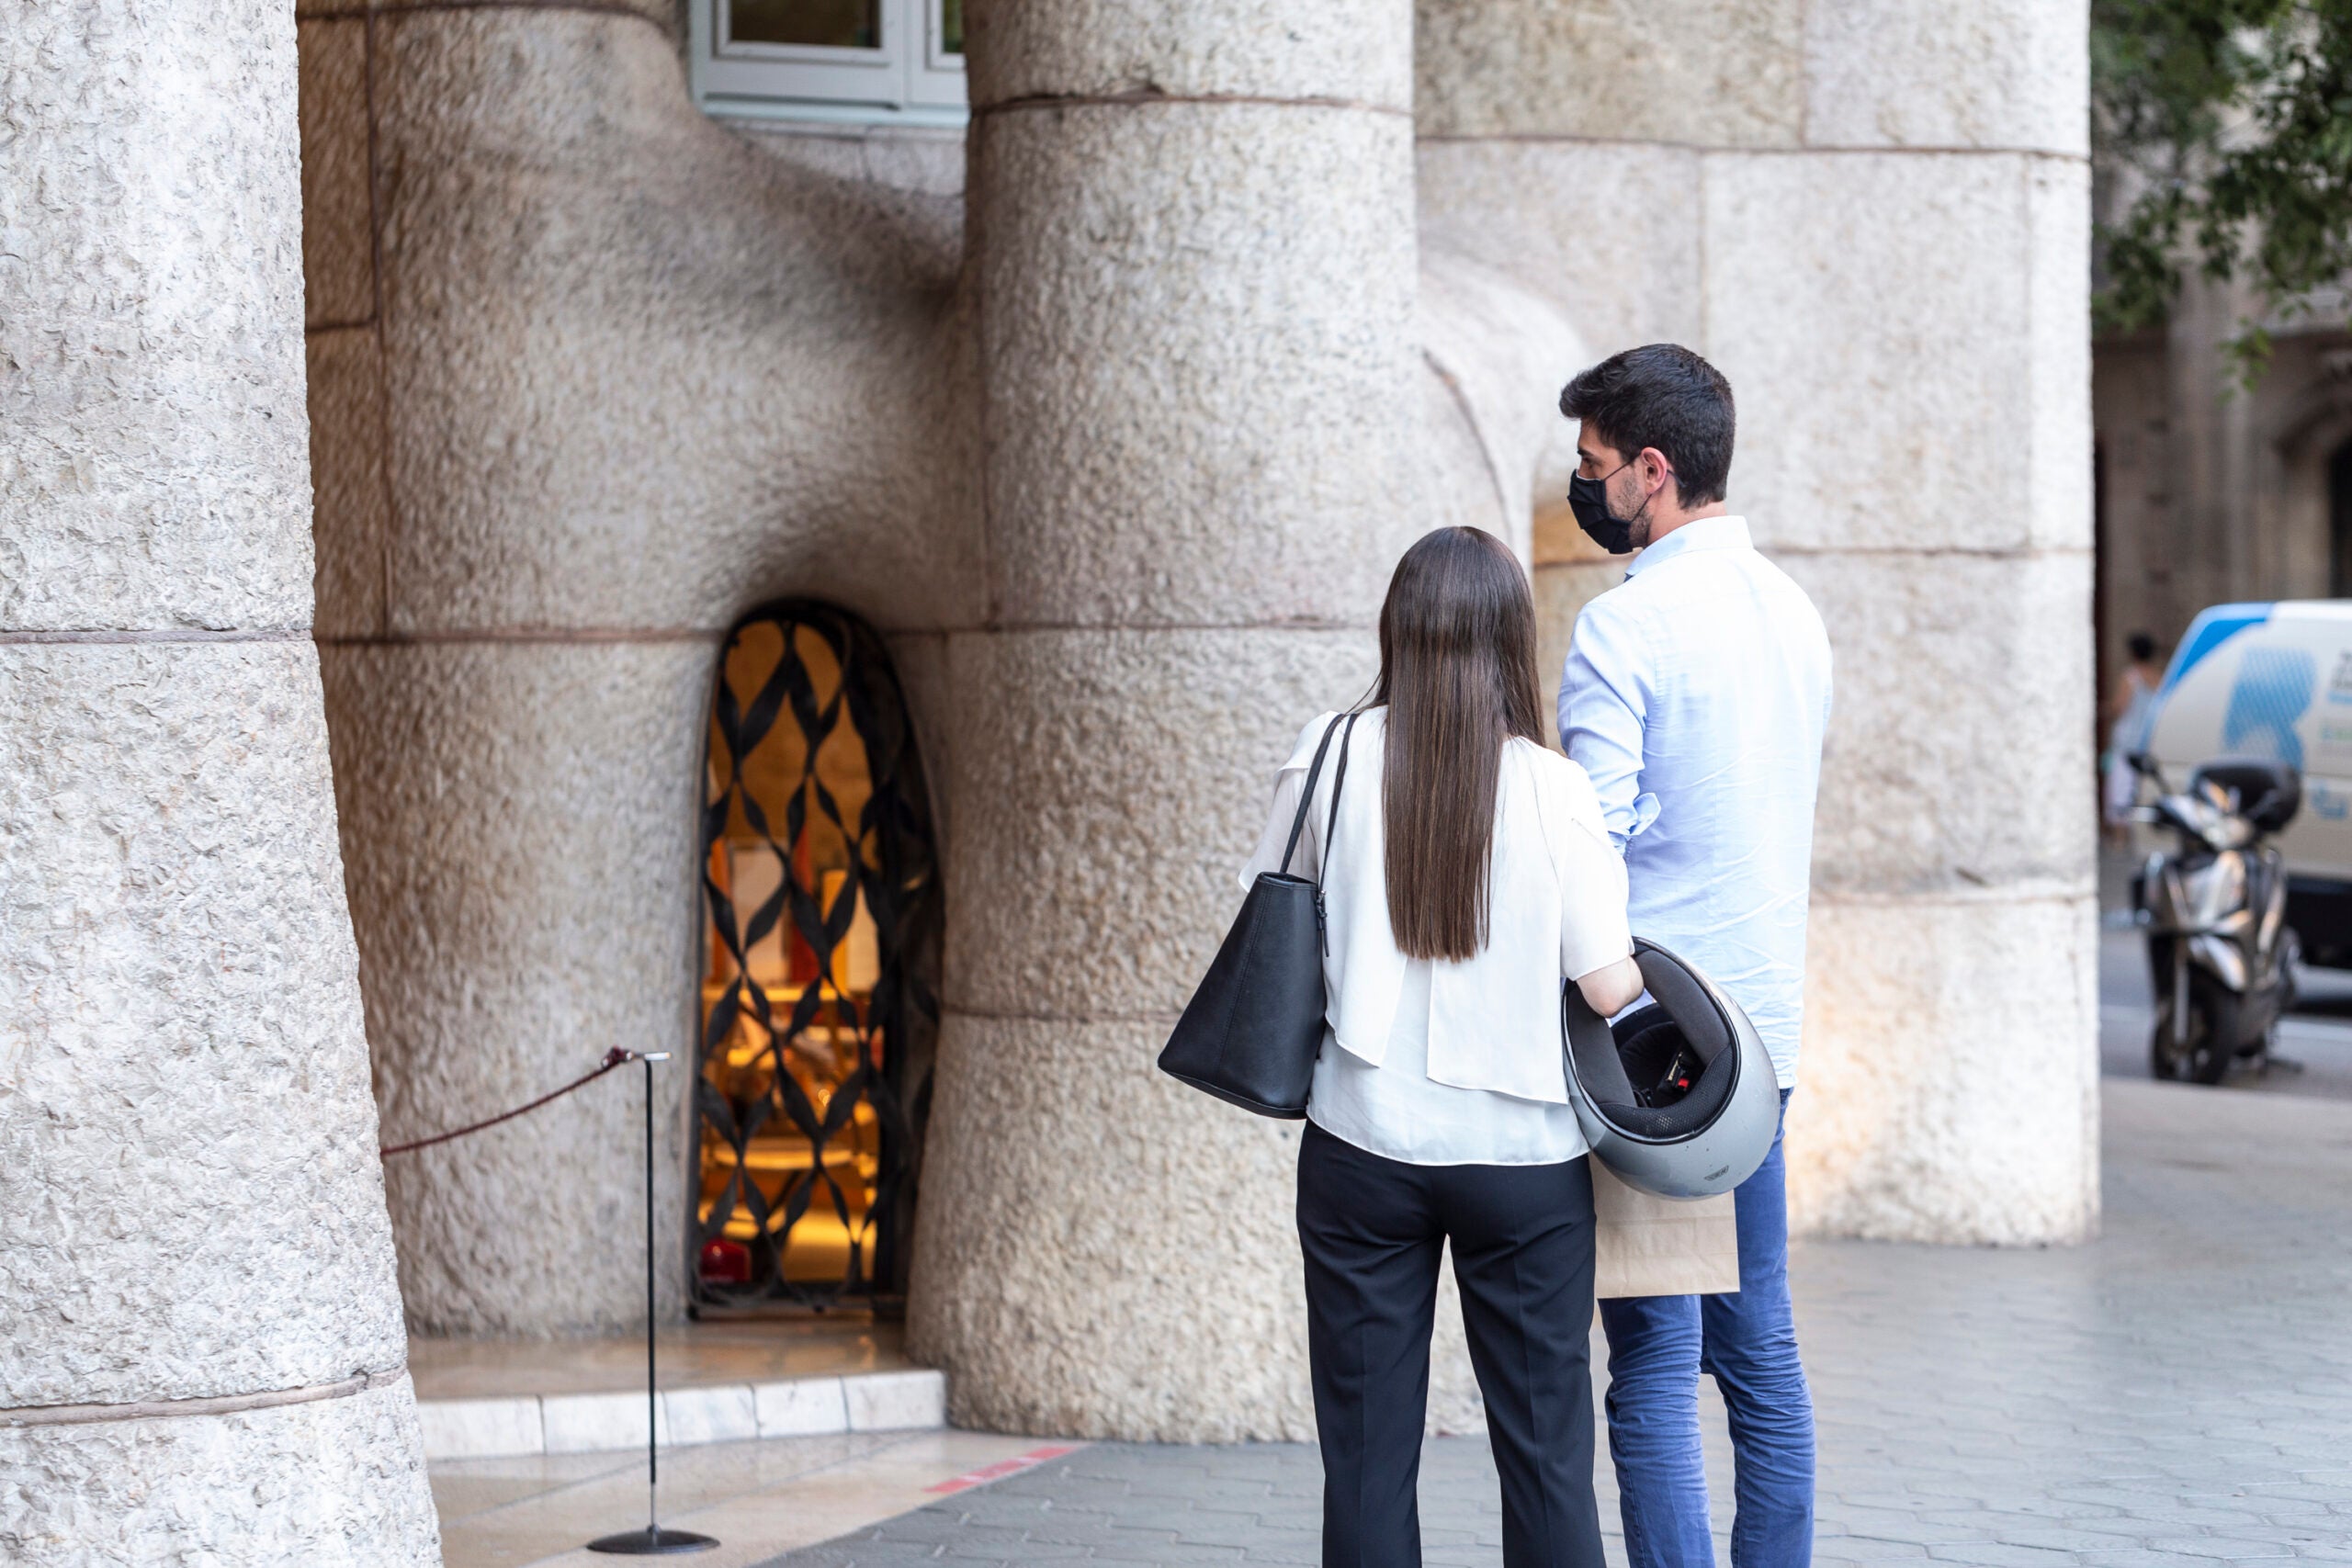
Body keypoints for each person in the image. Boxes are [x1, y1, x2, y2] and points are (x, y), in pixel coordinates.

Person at [1242, 526, 1645, 1568]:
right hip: (1522, 1167)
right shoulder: (1555, 789)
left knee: (1368, 1461)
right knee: (1548, 1459)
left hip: (1361, 1146)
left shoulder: (1326, 754)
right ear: (1512, 638)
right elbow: (1606, 982)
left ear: (1399, 630)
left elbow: (1278, 918)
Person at [1554, 344, 1833, 1568]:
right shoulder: (1794, 610)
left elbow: (1588, 848)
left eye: (1594, 464)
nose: (1588, 484)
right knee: (1758, 1340)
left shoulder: (1624, 624)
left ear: (1652, 471)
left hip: (1655, 1046)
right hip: (1762, 1038)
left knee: (1655, 1363)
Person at [2103, 632, 2165, 842]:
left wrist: (2105, 710)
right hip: (2149, 739)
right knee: (2143, 787)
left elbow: (2120, 707)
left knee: (2121, 786)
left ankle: (2120, 837)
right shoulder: (2159, 677)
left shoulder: (2131, 677)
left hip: (2127, 740)